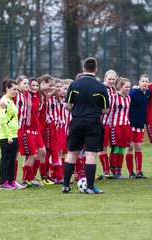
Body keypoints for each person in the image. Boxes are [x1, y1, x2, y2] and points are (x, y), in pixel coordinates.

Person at [62, 57, 109, 194]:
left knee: (72, 153)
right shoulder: (101, 87)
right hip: (93, 122)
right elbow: (106, 110)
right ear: (96, 69)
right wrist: (93, 110)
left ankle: (65, 186)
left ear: (83, 69)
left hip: (76, 122)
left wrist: (78, 110)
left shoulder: (74, 85)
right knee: (90, 155)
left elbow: (67, 105)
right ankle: (90, 187)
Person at [0, 78, 25, 190]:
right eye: (14, 89)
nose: (16, 92)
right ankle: (3, 183)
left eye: (17, 90)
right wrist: (8, 136)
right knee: (6, 159)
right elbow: (2, 121)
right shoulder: (3, 102)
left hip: (14, 135)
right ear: (7, 89)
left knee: (13, 159)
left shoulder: (11, 101)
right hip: (6, 136)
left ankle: (12, 181)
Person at [126, 74, 151, 178]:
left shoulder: (148, 92)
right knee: (130, 147)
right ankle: (130, 172)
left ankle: (139, 171)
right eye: (143, 81)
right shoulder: (134, 92)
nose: (145, 83)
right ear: (139, 82)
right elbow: (126, 98)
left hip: (140, 125)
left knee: (138, 147)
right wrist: (132, 88)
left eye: (146, 81)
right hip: (130, 124)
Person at [98, 70, 117, 179]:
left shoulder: (112, 90)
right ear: (105, 78)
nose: (111, 81)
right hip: (99, 123)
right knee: (99, 148)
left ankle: (107, 172)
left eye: (113, 79)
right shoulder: (101, 89)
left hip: (108, 124)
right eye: (109, 79)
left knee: (104, 148)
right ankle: (106, 172)